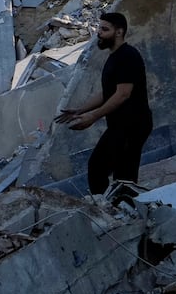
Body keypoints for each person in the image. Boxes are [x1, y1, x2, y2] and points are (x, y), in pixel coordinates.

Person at [56, 12, 152, 197]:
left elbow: (123, 94)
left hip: (132, 125)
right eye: (99, 28)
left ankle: (112, 211)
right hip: (122, 125)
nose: (99, 33)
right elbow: (108, 93)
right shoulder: (115, 57)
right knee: (119, 174)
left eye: (105, 29)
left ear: (119, 32)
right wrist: (81, 110)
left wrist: (93, 116)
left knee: (104, 169)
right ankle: (120, 211)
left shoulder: (128, 56)